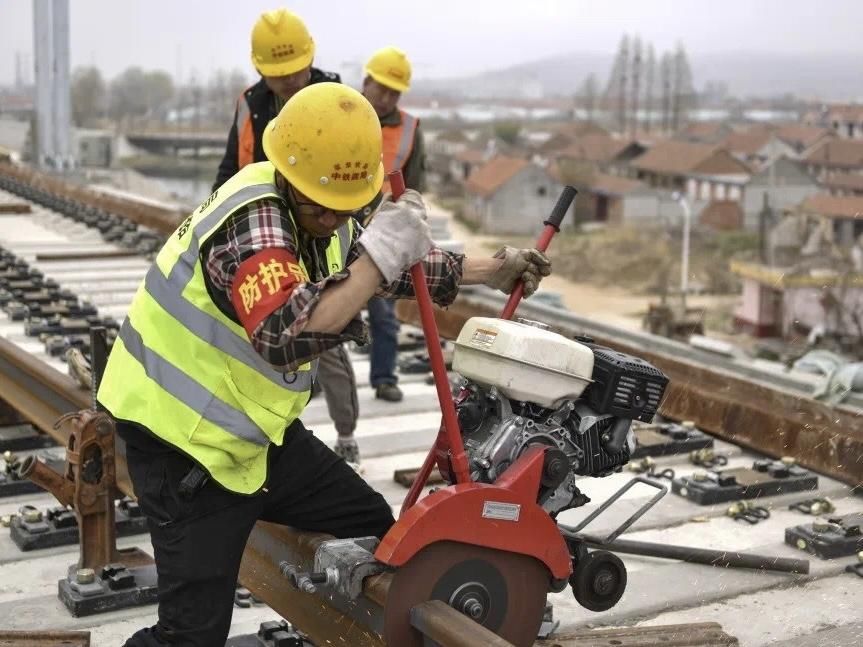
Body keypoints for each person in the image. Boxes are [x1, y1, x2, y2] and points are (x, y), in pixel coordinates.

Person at [99, 82, 551, 647]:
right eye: (322, 206)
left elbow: (389, 266)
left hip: (252, 437)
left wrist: (494, 269)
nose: (334, 221)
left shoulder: (322, 205)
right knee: (191, 635)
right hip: (184, 449)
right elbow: (286, 333)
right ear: (287, 173)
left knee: (379, 531)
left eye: (347, 209)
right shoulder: (254, 221)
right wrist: (376, 256)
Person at [212, 8, 361, 462]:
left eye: (295, 72)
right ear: (260, 70)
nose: (289, 83)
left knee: (328, 339)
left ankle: (346, 433)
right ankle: (272, 432)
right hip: (268, 237)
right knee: (268, 338)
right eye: (278, 77)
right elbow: (230, 169)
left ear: (309, 59)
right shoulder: (251, 104)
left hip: (323, 233)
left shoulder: (337, 99)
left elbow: (356, 167)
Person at [360, 46, 426, 403]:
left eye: (393, 92)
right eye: (381, 88)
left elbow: (414, 186)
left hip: (382, 229)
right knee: (326, 307)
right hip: (334, 223)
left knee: (384, 314)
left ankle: (384, 378)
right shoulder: (340, 110)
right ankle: (314, 378)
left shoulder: (411, 129)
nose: (386, 97)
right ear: (365, 81)